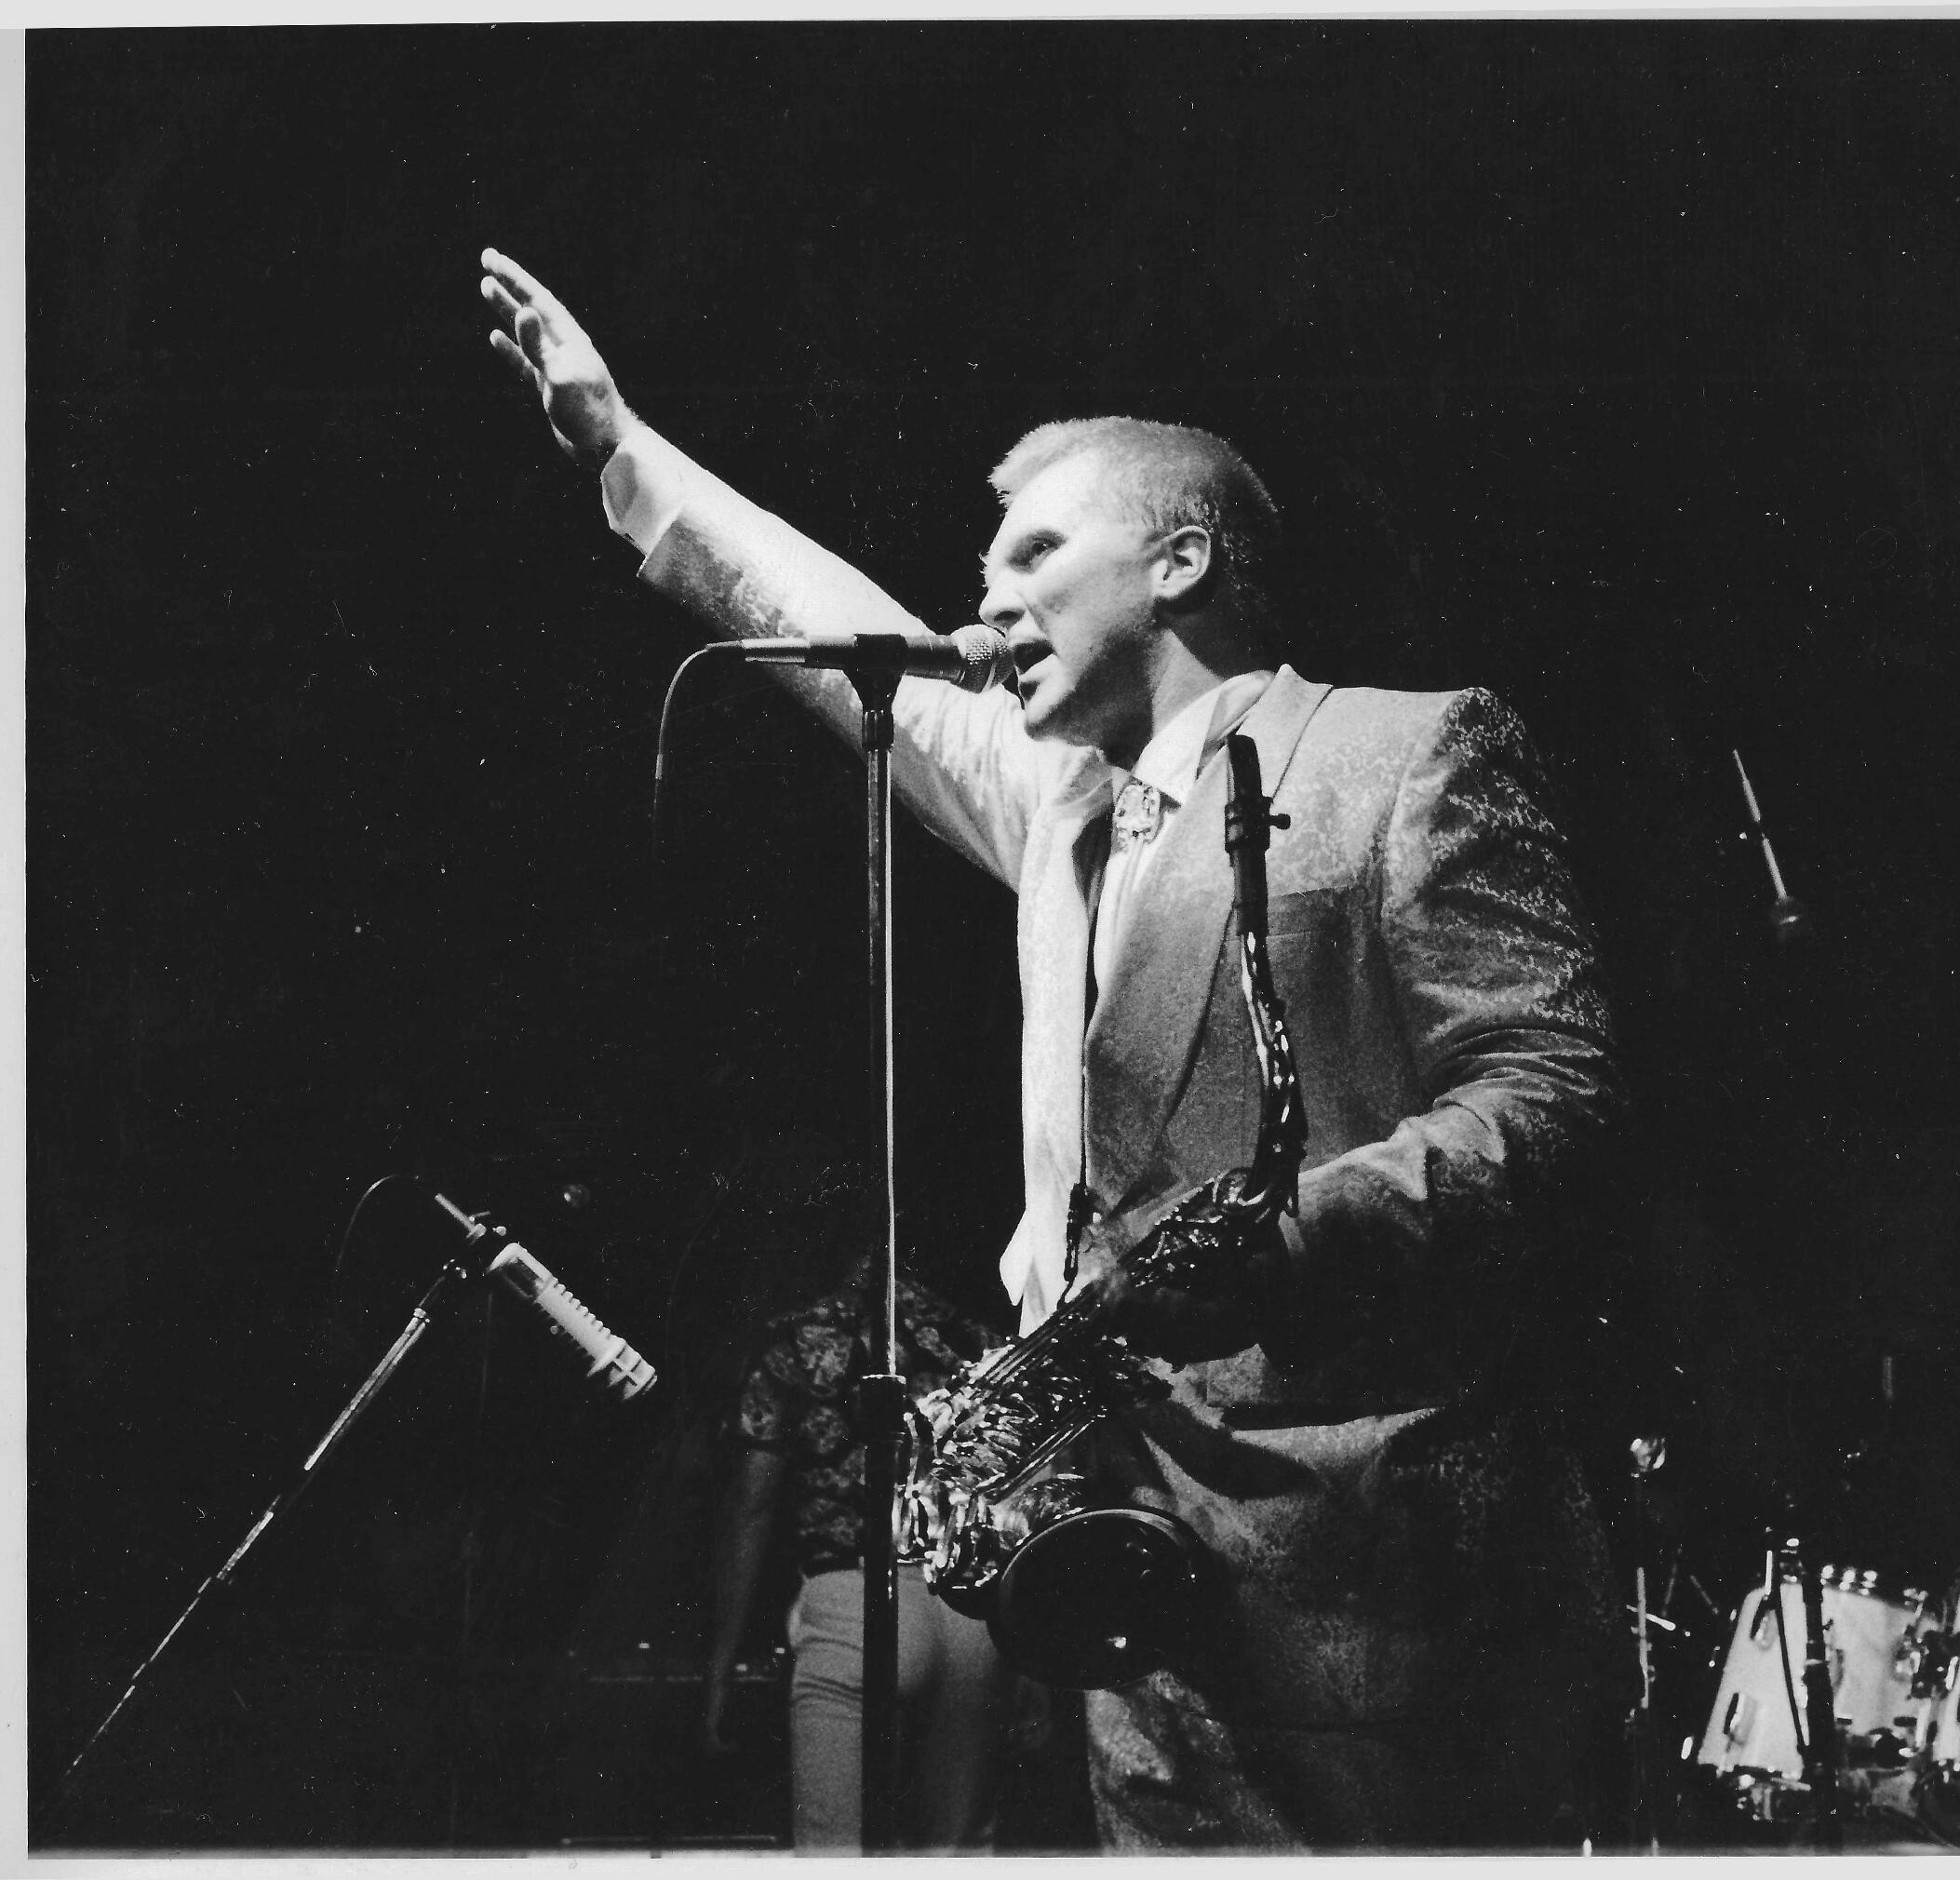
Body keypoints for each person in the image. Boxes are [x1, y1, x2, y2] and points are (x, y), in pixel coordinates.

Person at [479, 248, 1630, 1850]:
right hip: (1129, 1554)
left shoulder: (1405, 752)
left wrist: (1284, 1238)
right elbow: (853, 632)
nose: (988, 601)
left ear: (1180, 559)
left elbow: (1552, 1096)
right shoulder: (1060, 811)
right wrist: (625, 449)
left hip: (1375, 1572)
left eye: (1034, 553)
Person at [704, 1257, 1021, 1849]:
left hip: (853, 1603)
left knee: (837, 1852)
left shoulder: (798, 1341)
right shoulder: (970, 1339)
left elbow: (752, 1507)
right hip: (969, 1616)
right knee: (955, 1856)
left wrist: (719, 1669)